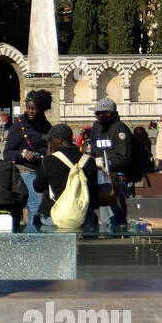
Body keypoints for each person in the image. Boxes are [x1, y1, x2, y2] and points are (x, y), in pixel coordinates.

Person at [33, 124, 97, 228]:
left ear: (59, 140)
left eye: (50, 140)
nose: (48, 143)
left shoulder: (48, 160)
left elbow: (38, 187)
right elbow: (94, 193)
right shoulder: (89, 160)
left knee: (36, 220)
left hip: (54, 216)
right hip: (83, 216)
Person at [88, 98, 132, 227]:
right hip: (103, 177)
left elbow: (124, 157)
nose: (96, 116)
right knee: (105, 218)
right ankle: (107, 243)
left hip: (117, 177)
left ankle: (119, 243)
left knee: (117, 217)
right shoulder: (99, 127)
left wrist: (106, 162)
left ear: (108, 113)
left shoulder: (120, 129)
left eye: (98, 113)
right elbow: (95, 149)